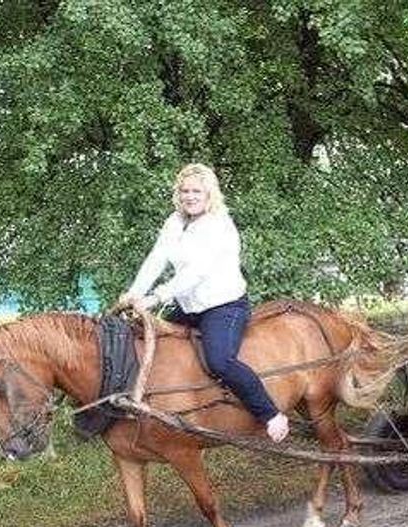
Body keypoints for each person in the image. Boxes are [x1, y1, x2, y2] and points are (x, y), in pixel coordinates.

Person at [118, 163, 291, 442]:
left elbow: (195, 274)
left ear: (209, 194)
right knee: (148, 339)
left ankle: (271, 414)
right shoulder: (174, 221)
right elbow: (156, 258)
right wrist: (134, 293)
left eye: (196, 191)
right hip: (189, 307)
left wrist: (155, 297)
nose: (190, 196)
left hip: (223, 306)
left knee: (220, 361)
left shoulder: (219, 225)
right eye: (185, 191)